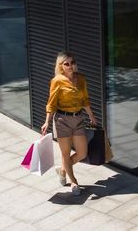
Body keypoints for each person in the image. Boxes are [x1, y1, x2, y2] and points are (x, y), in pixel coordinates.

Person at [41, 51, 98, 195]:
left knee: (82, 153)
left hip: (78, 119)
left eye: (72, 62)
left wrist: (92, 116)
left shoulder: (81, 79)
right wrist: (47, 121)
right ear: (61, 66)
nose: (71, 66)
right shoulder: (57, 81)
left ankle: (62, 170)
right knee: (65, 154)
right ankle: (74, 182)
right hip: (62, 120)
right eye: (67, 63)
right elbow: (51, 103)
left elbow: (85, 100)